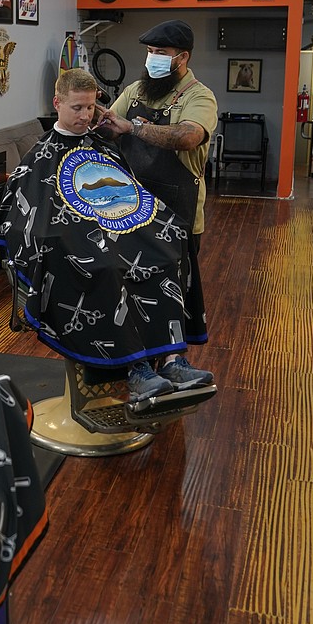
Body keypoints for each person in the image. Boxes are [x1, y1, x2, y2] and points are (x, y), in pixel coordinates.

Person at [0, 69, 213, 401]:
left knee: (165, 251)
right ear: (57, 104)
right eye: (77, 108)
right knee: (105, 268)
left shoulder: (101, 145)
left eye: (91, 108)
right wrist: (58, 238)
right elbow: (25, 216)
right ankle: (136, 370)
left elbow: (129, 194)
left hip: (116, 232)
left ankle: (170, 359)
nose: (85, 116)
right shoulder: (40, 155)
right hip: (72, 244)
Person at [94, 19, 218, 375]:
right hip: (131, 207)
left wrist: (133, 127)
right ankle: (138, 363)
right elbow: (110, 125)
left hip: (177, 211)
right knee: (131, 285)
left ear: (182, 57)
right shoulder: (135, 91)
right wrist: (89, 116)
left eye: (160, 53)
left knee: (171, 288)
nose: (152, 59)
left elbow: (188, 136)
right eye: (149, 52)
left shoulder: (198, 96)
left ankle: (173, 360)